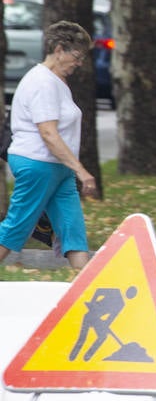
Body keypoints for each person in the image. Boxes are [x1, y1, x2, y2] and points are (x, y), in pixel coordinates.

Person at [0, 20, 96, 270]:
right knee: (15, 228)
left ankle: (85, 290)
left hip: (57, 169)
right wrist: (81, 170)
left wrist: (70, 169)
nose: (79, 62)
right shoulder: (42, 82)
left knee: (72, 230)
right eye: (76, 56)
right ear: (59, 49)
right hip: (38, 165)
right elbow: (48, 134)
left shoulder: (56, 81)